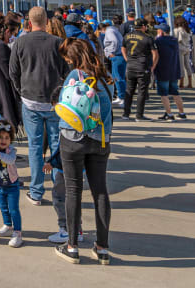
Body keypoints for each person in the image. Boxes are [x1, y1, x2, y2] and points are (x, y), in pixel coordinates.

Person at [9, 6, 68, 243]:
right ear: (46, 20)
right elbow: (66, 69)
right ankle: (59, 190)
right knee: (57, 146)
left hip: (30, 100)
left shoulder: (21, 43)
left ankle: (35, 191)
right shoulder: (57, 42)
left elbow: (13, 72)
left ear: (29, 21)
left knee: (34, 147)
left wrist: (21, 90)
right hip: (54, 101)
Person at [52, 39, 114, 266]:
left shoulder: (74, 77)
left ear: (74, 58)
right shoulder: (106, 78)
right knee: (100, 191)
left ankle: (72, 246)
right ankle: (102, 247)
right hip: (100, 140)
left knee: (73, 189)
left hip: (72, 139)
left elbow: (64, 108)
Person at [0, 125, 23, 248]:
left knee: (13, 209)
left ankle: (18, 233)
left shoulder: (11, 151)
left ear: (11, 139)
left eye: (7, 138)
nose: (3, 140)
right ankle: (8, 225)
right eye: (0, 137)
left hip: (12, 185)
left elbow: (10, 160)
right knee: (3, 207)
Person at [120, 19, 157, 122]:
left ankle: (126, 114)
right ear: (144, 26)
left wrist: (126, 58)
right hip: (142, 66)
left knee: (129, 90)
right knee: (142, 92)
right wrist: (152, 66)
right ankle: (139, 115)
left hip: (130, 66)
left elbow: (122, 47)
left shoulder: (127, 36)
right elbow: (155, 53)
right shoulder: (147, 38)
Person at [153, 26, 186, 121]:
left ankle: (169, 114)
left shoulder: (159, 41)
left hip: (162, 70)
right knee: (175, 92)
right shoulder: (174, 40)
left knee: (164, 94)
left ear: (161, 31)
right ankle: (181, 112)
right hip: (174, 69)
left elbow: (156, 53)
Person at [102, 19, 125, 106]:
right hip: (119, 55)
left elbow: (114, 41)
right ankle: (120, 97)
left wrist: (112, 52)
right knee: (117, 77)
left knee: (118, 77)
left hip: (117, 56)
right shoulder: (114, 30)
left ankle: (122, 97)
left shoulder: (109, 31)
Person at [172, 16, 195, 89]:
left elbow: (175, 39)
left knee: (181, 67)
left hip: (180, 49)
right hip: (187, 49)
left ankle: (181, 83)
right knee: (188, 66)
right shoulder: (187, 30)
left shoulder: (176, 30)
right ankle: (190, 83)